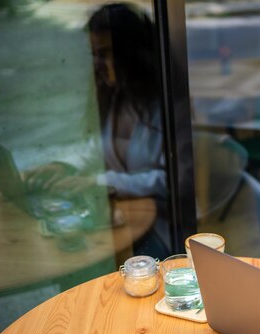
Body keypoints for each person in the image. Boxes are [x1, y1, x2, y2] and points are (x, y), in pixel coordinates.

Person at [26, 3, 171, 257]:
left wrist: (99, 183)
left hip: (161, 229)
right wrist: (63, 165)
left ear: (130, 54)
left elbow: (166, 179)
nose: (97, 64)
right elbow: (100, 147)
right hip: (125, 218)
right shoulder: (119, 98)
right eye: (94, 54)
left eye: (105, 53)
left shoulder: (163, 107)